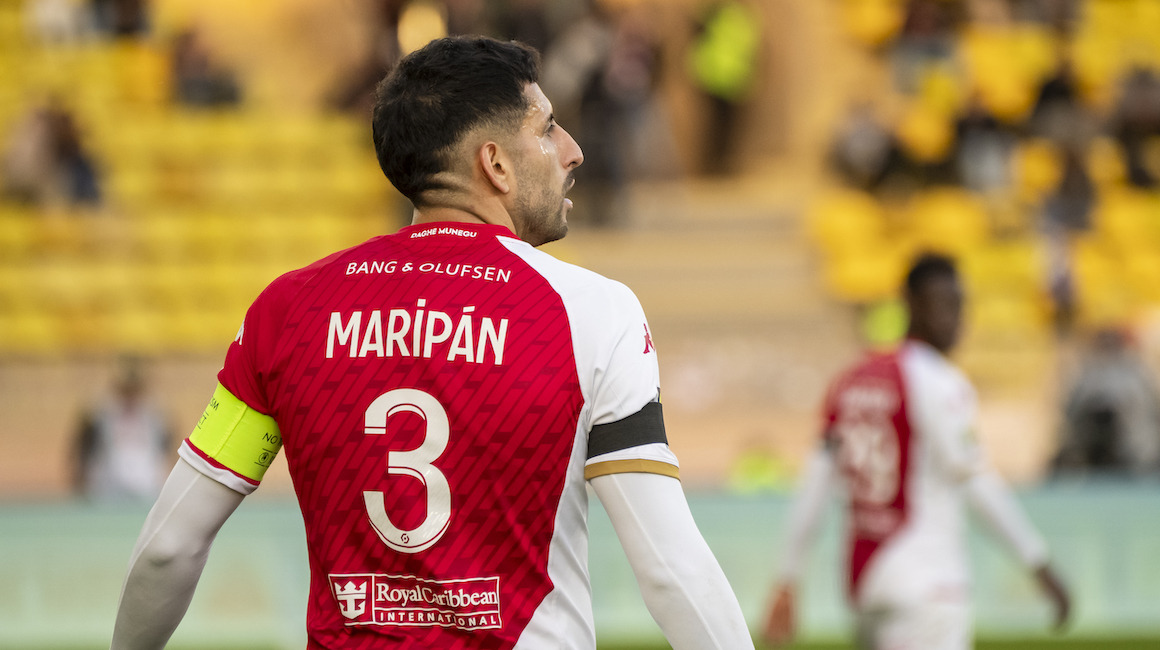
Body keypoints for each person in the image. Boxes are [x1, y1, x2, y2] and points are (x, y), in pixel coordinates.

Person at [111, 36, 753, 650]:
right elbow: (671, 569)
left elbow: (169, 548)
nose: (573, 150)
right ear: (495, 164)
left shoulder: (287, 310)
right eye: (548, 128)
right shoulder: (590, 312)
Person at [762, 253, 1071, 650]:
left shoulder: (850, 381)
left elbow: (815, 485)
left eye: (958, 305)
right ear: (910, 304)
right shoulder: (939, 382)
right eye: (942, 304)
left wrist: (788, 575)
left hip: (865, 580)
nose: (954, 318)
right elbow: (975, 481)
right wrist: (1037, 560)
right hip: (928, 583)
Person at [72, 356, 172, 503]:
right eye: (126, 390)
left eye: (134, 389)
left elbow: (165, 450)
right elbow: (83, 450)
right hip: (108, 490)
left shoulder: (156, 415)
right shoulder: (99, 415)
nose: (130, 395)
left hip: (147, 488)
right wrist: (80, 481)